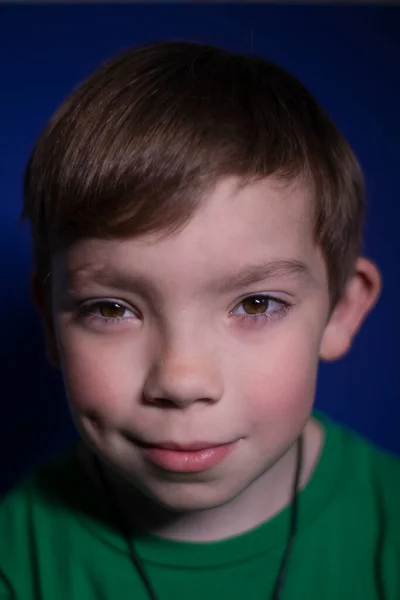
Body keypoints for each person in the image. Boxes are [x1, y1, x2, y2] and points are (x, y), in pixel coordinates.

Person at [0, 41, 399, 600]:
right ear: (51, 325)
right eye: (112, 309)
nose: (182, 381)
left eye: (257, 304)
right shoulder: (16, 561)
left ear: (341, 311)